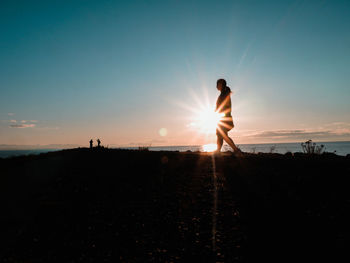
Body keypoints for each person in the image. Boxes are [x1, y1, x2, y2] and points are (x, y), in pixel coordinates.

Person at [215, 79, 242, 155]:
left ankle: (236, 149)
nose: (216, 86)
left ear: (221, 85)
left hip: (225, 117)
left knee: (222, 134)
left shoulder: (225, 94)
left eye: (217, 84)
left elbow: (226, 106)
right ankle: (218, 150)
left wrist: (220, 111)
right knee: (220, 135)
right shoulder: (223, 94)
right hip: (222, 117)